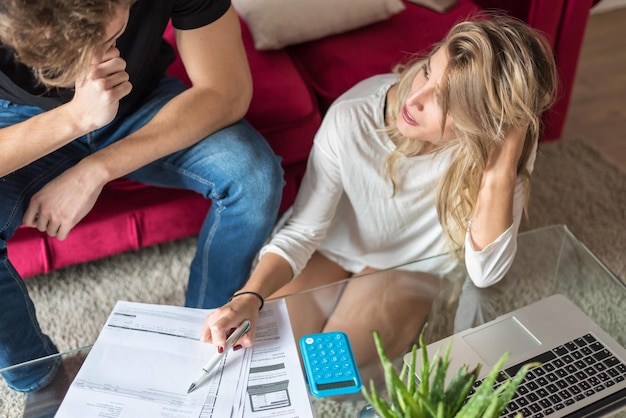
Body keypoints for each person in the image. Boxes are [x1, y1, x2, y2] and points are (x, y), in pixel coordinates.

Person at [202, 15, 558, 378]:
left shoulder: (497, 147)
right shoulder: (352, 119)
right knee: (265, 362)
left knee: (329, 376)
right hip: (331, 246)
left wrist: (502, 160)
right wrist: (248, 296)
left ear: (486, 124)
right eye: (428, 71)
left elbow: (486, 274)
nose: (415, 99)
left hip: (412, 265)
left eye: (446, 100)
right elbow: (303, 230)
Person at [0, 0, 283, 395]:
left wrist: (95, 169)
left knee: (253, 176)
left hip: (140, 104)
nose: (96, 63)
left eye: (110, 40)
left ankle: (205, 334)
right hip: (18, 119)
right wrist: (76, 117)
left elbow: (226, 90)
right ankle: (41, 382)